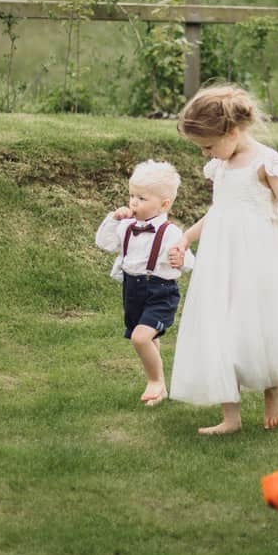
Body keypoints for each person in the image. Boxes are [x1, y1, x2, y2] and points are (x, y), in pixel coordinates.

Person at [167, 84, 278, 434]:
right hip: (220, 261)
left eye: (209, 146)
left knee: (261, 323)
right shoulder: (221, 166)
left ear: (231, 131)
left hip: (258, 260)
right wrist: (186, 236)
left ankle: (274, 386)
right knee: (221, 324)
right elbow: (219, 211)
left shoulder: (266, 163)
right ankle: (230, 416)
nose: (207, 155)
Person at [95, 160, 194, 407]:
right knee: (148, 339)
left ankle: (154, 381)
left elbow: (189, 261)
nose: (134, 202)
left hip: (160, 291)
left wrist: (179, 258)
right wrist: (113, 219)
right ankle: (160, 387)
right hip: (132, 289)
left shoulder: (170, 232)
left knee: (141, 338)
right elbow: (104, 243)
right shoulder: (127, 226)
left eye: (142, 198)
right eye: (131, 196)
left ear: (164, 204)